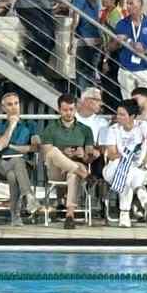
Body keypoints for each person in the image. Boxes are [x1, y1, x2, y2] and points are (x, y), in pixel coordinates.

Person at [39, 95, 96, 229]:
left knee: (74, 174)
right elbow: (46, 153)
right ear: (59, 109)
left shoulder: (85, 129)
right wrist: (63, 152)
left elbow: (89, 158)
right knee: (53, 151)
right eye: (65, 110)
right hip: (56, 169)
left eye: (71, 109)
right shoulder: (50, 128)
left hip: (77, 164)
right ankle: (85, 175)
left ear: (76, 109)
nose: (68, 113)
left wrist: (83, 154)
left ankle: (70, 216)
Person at [0, 91, 43, 222]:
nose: (14, 107)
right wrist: (12, 126)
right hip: (2, 164)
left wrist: (12, 147)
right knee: (17, 161)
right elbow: (0, 146)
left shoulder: (31, 125)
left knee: (13, 174)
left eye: (16, 103)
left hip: (25, 165)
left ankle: (15, 215)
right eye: (9, 104)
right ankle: (28, 197)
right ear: (3, 108)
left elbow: (36, 147)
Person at [102, 99, 147, 227]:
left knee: (127, 173)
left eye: (122, 114)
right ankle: (140, 191)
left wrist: (145, 160)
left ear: (132, 116)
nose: (118, 117)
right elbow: (112, 154)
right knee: (123, 168)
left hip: (139, 169)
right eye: (118, 114)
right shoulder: (113, 129)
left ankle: (124, 214)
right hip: (113, 168)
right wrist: (127, 157)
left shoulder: (142, 126)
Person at [113, 0, 147, 96]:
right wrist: (117, 42)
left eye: (131, 3)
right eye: (127, 4)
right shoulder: (121, 24)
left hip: (145, 68)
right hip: (126, 69)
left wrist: (144, 51)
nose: (128, 6)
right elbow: (111, 47)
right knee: (128, 102)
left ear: (140, 4)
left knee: (145, 101)